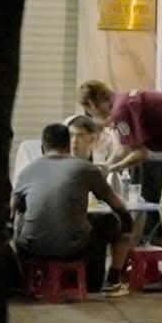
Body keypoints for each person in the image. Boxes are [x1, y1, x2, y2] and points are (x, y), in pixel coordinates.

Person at [80, 81, 162, 291]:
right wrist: (107, 166)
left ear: (92, 104)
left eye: (89, 111)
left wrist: (113, 168)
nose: (93, 116)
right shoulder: (126, 101)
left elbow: (140, 154)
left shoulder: (121, 110)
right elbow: (125, 148)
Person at [14, 122, 133, 295]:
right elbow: (116, 204)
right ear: (68, 145)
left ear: (42, 147)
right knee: (111, 222)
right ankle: (109, 280)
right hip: (72, 249)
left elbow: (14, 211)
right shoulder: (86, 168)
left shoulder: (27, 172)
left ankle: (27, 281)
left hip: (31, 249)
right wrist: (127, 222)